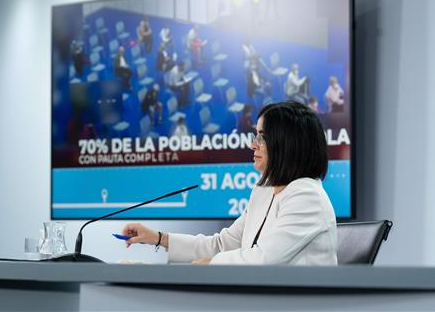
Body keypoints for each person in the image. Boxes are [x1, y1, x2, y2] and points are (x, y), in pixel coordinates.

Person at [121, 101, 337, 265]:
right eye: (255, 135)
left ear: (288, 143)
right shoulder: (263, 192)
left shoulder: (307, 197)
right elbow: (221, 245)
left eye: (262, 136)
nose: (253, 144)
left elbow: (263, 259)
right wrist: (159, 238)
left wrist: (212, 265)